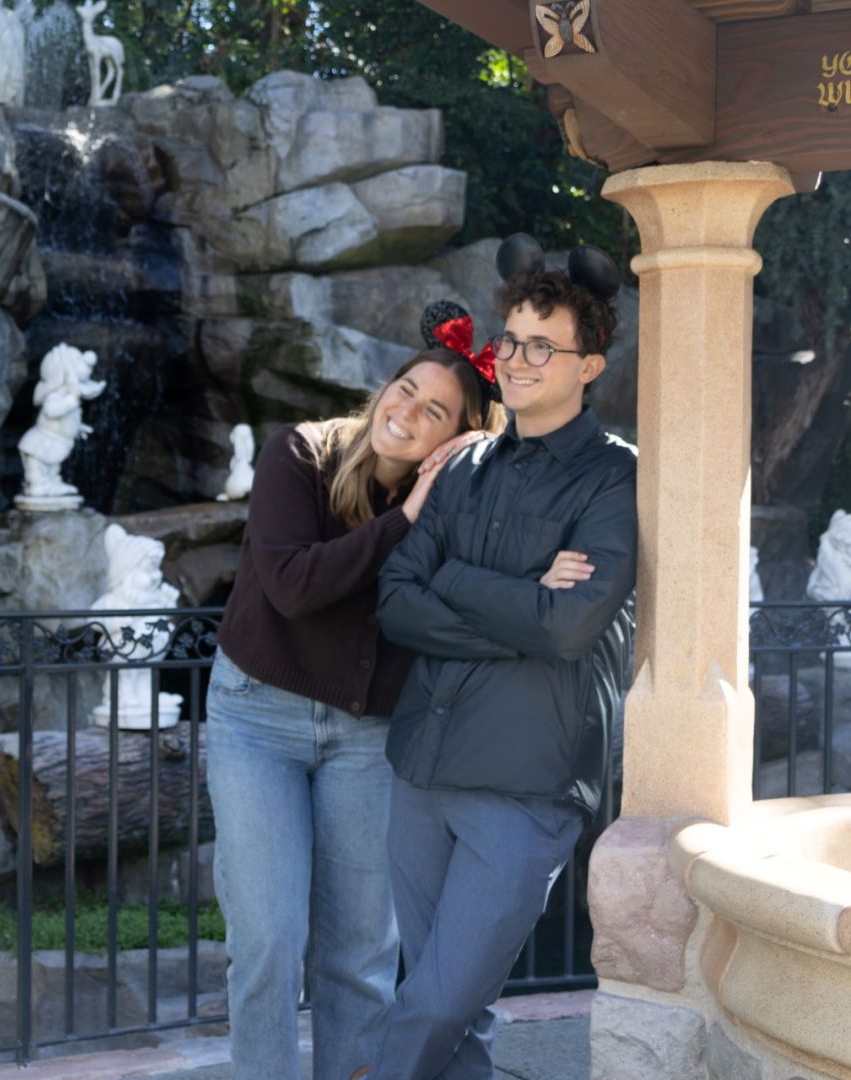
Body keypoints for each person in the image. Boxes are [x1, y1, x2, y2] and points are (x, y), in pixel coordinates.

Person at [359, 241, 635, 1080]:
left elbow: (566, 629)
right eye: (511, 340)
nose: (516, 360)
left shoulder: (614, 479)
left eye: (541, 345)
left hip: (525, 784)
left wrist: (460, 581)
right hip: (423, 768)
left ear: (588, 365)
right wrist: (516, 593)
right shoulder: (464, 462)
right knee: (459, 1007)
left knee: (436, 1000)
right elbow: (398, 597)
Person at [206, 321, 506, 1080]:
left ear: (458, 438)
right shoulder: (301, 455)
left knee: (360, 956)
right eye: (406, 388)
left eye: (435, 410)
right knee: (268, 943)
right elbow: (294, 586)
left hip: (370, 736)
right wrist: (403, 521)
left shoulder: (459, 507)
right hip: (258, 718)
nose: (406, 410)